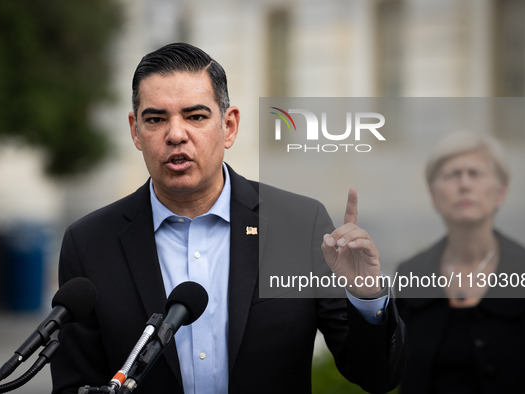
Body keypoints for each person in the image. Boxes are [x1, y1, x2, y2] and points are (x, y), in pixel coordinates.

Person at [50, 43, 407, 394]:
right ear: (135, 131)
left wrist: (366, 296)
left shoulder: (299, 224)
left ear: (229, 125)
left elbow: (377, 376)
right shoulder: (90, 243)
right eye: (156, 119)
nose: (176, 134)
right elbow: (75, 384)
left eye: (196, 116)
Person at [395, 132, 525, 393]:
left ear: (501, 191)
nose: (464, 184)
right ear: (433, 195)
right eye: (451, 175)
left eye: (475, 173)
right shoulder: (409, 274)